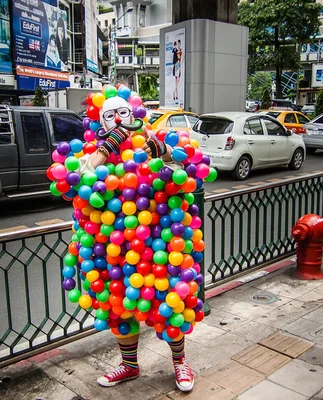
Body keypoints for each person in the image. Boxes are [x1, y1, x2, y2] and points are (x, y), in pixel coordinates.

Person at [75, 95, 196, 392]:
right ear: (99, 120)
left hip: (156, 241)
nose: (117, 120)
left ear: (135, 114)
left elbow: (189, 168)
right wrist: (107, 148)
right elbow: (76, 178)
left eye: (123, 113)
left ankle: (180, 362)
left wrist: (164, 150)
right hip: (109, 245)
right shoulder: (91, 151)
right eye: (110, 115)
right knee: (119, 307)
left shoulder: (150, 140)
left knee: (169, 303)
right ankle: (129, 365)